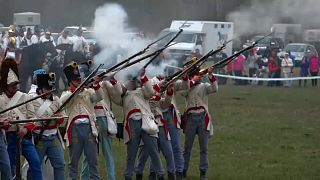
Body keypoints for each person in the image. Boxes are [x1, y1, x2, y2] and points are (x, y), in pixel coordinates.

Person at [113, 69, 165, 180]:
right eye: (131, 80)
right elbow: (116, 95)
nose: (133, 82)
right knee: (131, 155)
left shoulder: (143, 91)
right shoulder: (123, 95)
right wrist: (116, 81)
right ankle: (128, 176)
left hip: (146, 121)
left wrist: (142, 76)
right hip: (132, 125)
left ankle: (160, 175)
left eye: (134, 80)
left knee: (154, 152)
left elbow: (151, 91)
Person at [0, 57, 42, 180]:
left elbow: (33, 118)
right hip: (8, 138)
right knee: (9, 169)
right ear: (6, 85)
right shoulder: (1, 99)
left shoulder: (25, 97)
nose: (15, 87)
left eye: (16, 84)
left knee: (35, 163)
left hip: (25, 137)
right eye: (12, 85)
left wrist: (26, 129)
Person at [60, 61, 103, 180]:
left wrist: (96, 83)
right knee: (73, 163)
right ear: (70, 82)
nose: (79, 81)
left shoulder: (89, 92)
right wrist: (77, 89)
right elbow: (63, 102)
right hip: (74, 130)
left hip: (89, 128)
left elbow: (99, 96)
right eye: (76, 79)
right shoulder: (66, 94)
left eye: (79, 79)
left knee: (93, 161)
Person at [80, 64, 122, 180]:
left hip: (104, 118)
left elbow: (118, 93)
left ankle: (111, 177)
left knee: (108, 153)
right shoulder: (84, 87)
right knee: (88, 155)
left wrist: (112, 79)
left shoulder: (104, 84)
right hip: (91, 121)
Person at [135, 76, 175, 180]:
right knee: (144, 153)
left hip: (159, 124)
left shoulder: (155, 94)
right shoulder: (142, 94)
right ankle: (139, 173)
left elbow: (165, 104)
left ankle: (171, 173)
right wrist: (158, 92)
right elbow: (151, 103)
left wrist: (169, 92)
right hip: (147, 124)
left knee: (168, 151)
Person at [181, 67, 218, 180]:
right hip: (191, 118)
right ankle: (183, 171)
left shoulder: (204, 86)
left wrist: (211, 75)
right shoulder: (187, 86)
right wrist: (191, 81)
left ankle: (203, 172)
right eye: (197, 75)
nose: (199, 77)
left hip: (202, 117)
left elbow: (214, 88)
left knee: (204, 148)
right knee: (187, 148)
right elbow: (183, 92)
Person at [31, 72, 65, 180]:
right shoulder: (32, 100)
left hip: (53, 137)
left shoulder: (56, 100)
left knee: (60, 165)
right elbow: (30, 119)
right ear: (40, 88)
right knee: (34, 167)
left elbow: (63, 117)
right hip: (39, 138)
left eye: (51, 87)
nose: (50, 90)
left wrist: (59, 118)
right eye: (47, 88)